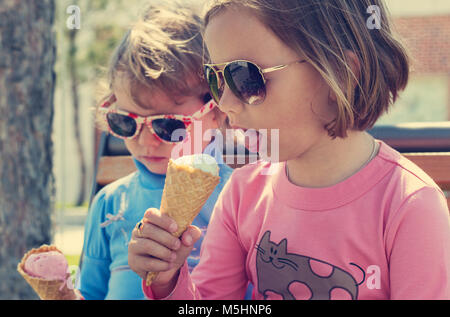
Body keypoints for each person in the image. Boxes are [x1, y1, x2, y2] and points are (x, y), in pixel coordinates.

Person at [128, 0, 450, 300]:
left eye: (245, 77)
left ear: (341, 74)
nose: (224, 103)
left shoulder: (409, 205)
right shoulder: (241, 195)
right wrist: (168, 278)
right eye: (216, 79)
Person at [78, 0, 235, 300]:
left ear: (217, 112)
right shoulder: (108, 205)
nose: (147, 141)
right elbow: (90, 291)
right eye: (125, 122)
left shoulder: (237, 198)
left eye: (168, 126)